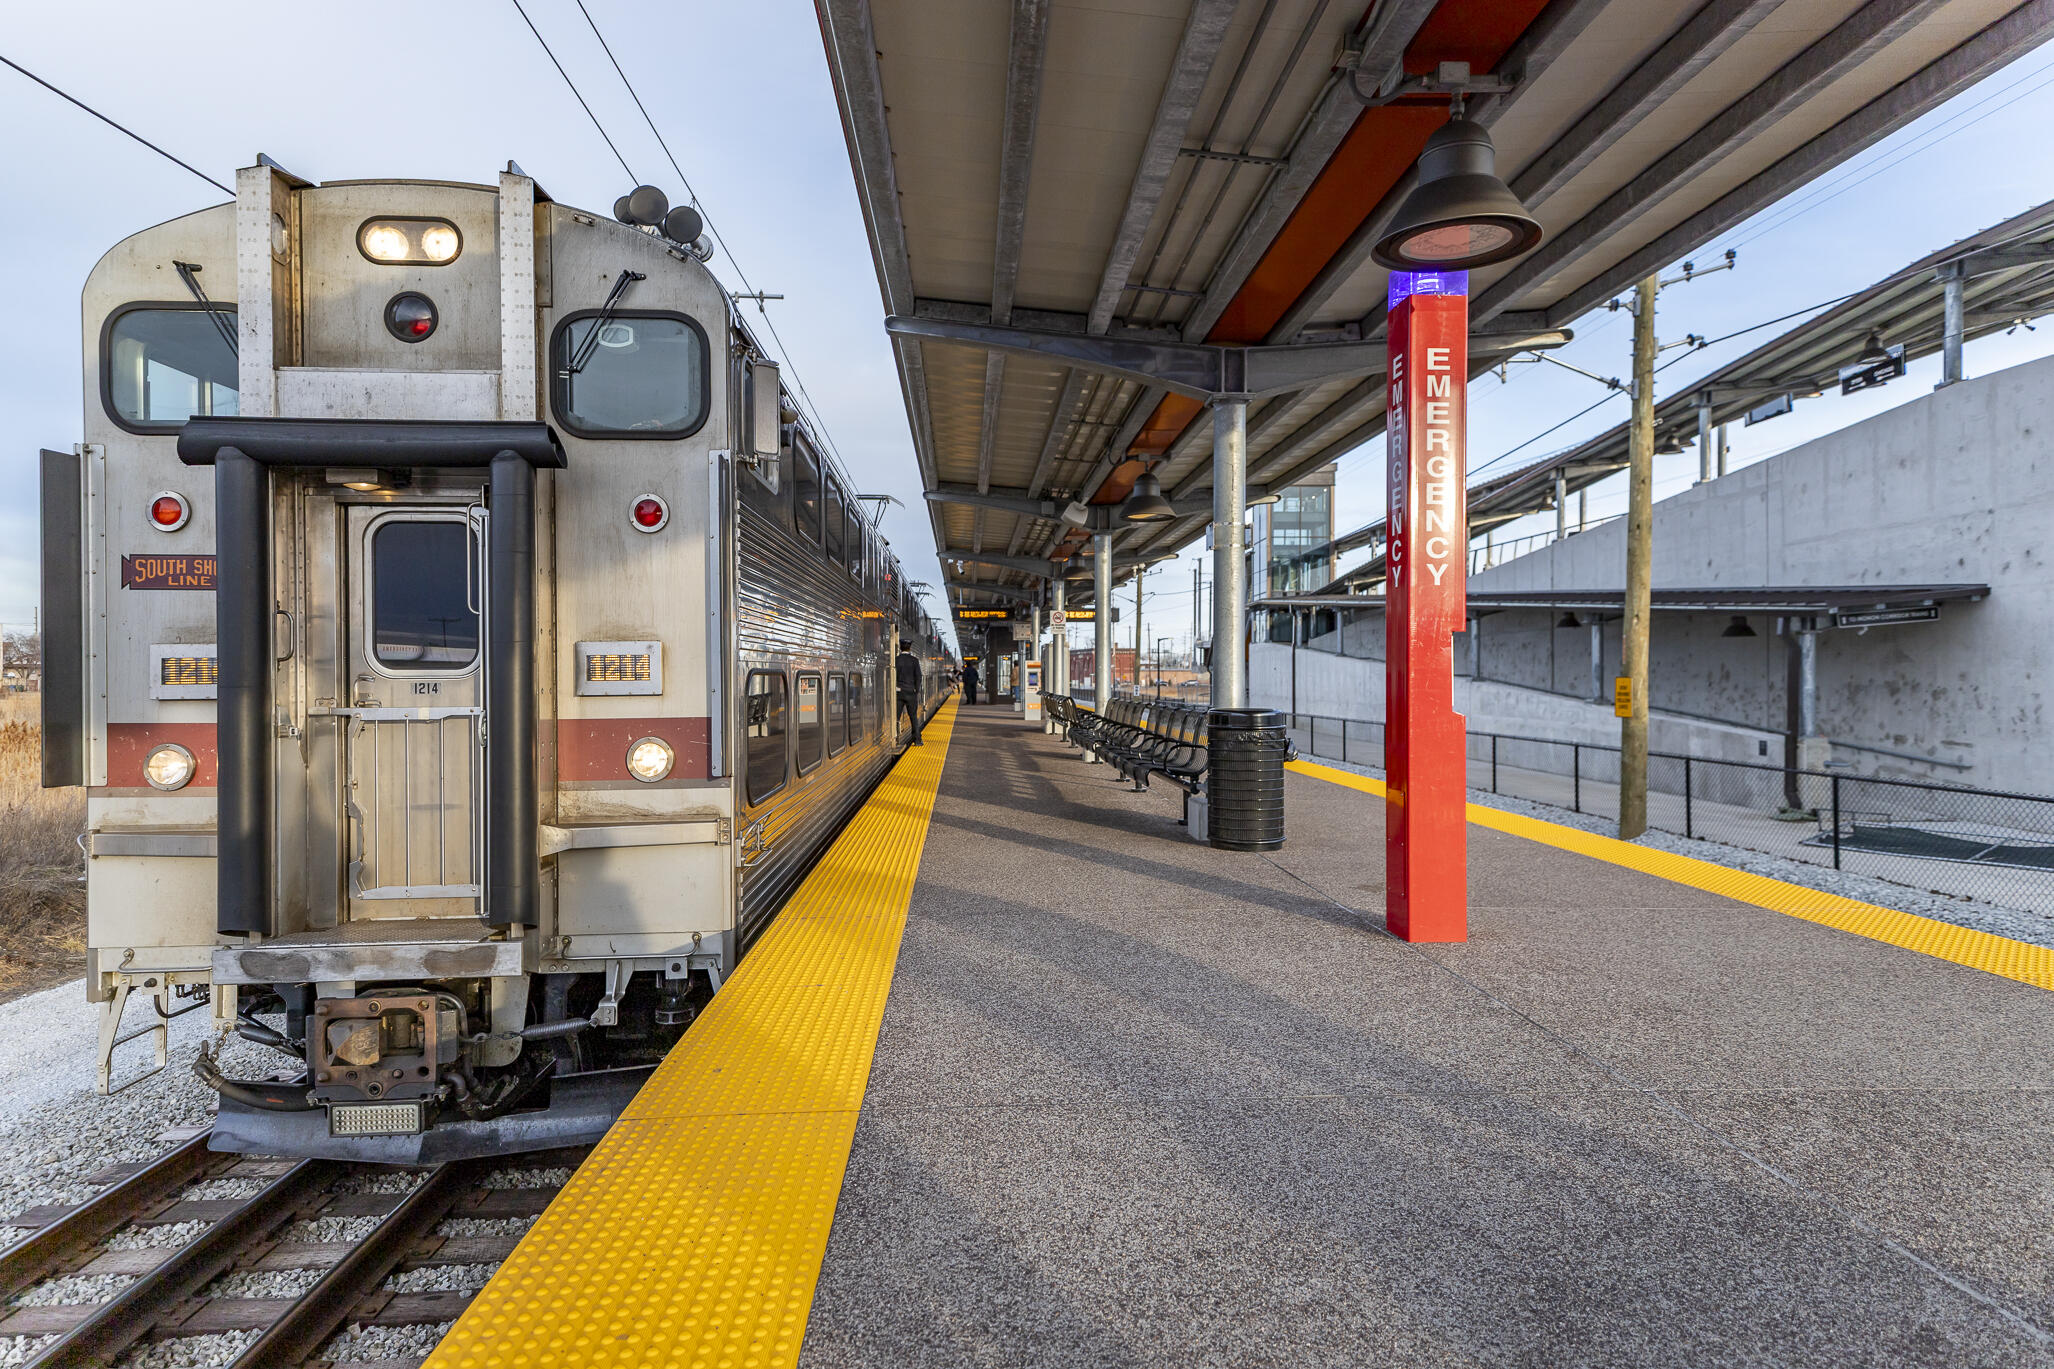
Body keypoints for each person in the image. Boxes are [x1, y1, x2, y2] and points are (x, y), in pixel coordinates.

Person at [895, 644, 924, 746]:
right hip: (911, 692)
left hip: (898, 692)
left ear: (900, 648)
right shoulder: (914, 660)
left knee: (896, 717)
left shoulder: (896, 660)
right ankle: (917, 740)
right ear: (909, 648)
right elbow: (919, 677)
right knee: (913, 717)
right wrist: (916, 690)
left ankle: (895, 739)